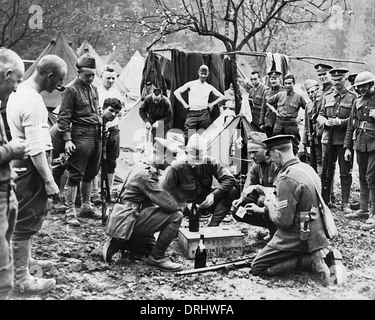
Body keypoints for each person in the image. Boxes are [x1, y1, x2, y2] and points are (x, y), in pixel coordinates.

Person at [249, 135, 345, 286]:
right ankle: (315, 255)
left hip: (297, 235)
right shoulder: (306, 168)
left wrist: (268, 205)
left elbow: (283, 222)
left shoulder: (287, 177)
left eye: (271, 155)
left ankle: (311, 261)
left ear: (277, 153)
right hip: (316, 231)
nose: (272, 160)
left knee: (257, 267)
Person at [7, 54, 67, 295]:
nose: (59, 86)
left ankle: (26, 260)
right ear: (49, 76)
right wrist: (49, 180)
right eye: (59, 80)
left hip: (24, 164)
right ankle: (21, 279)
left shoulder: (20, 93)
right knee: (25, 221)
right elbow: (36, 147)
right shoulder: (32, 102)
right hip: (31, 168)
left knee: (24, 219)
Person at [103, 138, 183, 272]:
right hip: (129, 220)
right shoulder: (146, 175)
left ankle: (124, 243)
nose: (170, 164)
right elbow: (170, 206)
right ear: (163, 157)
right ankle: (157, 258)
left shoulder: (140, 166)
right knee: (176, 216)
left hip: (124, 218)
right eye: (170, 160)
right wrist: (185, 203)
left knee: (148, 248)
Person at [57, 53, 102, 227]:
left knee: (91, 173)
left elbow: (96, 111)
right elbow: (64, 118)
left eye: (93, 74)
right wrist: (68, 140)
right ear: (79, 73)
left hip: (96, 135)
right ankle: (69, 211)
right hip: (80, 135)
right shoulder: (71, 90)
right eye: (87, 75)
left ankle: (86, 207)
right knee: (75, 175)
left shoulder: (94, 89)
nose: (91, 78)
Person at [0, 48, 30, 300]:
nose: (17, 88)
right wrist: (11, 150)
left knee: (5, 253)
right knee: (2, 272)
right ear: (7, 74)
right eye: (17, 81)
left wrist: (9, 165)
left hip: (5, 189)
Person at [162, 133, 238, 227]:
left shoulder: (210, 161)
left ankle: (213, 225)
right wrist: (183, 205)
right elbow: (164, 194)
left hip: (204, 202)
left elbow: (230, 179)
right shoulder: (176, 167)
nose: (196, 164)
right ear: (186, 153)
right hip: (184, 205)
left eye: (200, 160)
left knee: (231, 191)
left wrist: (214, 195)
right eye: (193, 160)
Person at [317, 68, 356, 214]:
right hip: (328, 139)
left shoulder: (352, 97)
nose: (336, 82)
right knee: (327, 171)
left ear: (345, 79)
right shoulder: (327, 96)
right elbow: (319, 115)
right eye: (334, 79)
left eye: (339, 79)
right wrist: (325, 122)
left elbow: (355, 119)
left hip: (344, 140)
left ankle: (345, 203)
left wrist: (340, 122)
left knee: (345, 172)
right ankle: (325, 201)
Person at [231, 132, 280, 240]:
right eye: (250, 153)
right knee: (237, 211)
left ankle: (276, 234)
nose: (252, 156)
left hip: (281, 206)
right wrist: (241, 200)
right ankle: (270, 228)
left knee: (263, 200)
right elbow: (248, 188)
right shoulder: (255, 165)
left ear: (266, 149)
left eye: (255, 152)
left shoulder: (277, 163)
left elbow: (278, 192)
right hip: (266, 206)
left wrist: (256, 188)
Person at [344, 71, 375, 231]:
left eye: (365, 86)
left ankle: (373, 214)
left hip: (374, 144)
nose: (362, 89)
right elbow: (351, 126)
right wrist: (347, 147)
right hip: (360, 143)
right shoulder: (357, 102)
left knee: (372, 178)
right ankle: (363, 209)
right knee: (362, 176)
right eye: (359, 87)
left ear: (371, 84)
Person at [91, 65, 124, 205]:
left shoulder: (117, 92)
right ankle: (94, 193)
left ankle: (108, 191)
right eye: (107, 78)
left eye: (113, 78)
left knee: (111, 161)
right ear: (101, 77)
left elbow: (121, 112)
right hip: (99, 130)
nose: (110, 80)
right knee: (96, 161)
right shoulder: (95, 91)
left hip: (114, 130)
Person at [174, 65, 225, 144]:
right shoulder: (191, 84)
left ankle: (203, 153)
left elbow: (222, 96)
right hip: (192, 114)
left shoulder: (209, 87)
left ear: (208, 74)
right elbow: (176, 92)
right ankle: (188, 153)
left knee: (204, 136)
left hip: (204, 114)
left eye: (205, 74)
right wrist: (184, 104)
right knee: (188, 136)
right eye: (202, 73)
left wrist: (212, 104)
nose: (203, 76)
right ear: (198, 73)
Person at [266, 74, 306, 154]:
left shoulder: (298, 97)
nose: (287, 85)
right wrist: (275, 111)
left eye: (290, 83)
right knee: (276, 144)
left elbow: (308, 109)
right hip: (279, 123)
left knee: (293, 146)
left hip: (291, 124)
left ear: (294, 84)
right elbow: (268, 102)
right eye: (286, 83)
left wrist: (300, 119)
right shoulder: (280, 95)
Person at [302, 79, 322, 174]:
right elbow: (306, 124)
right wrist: (305, 140)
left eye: (313, 91)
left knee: (326, 162)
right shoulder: (308, 106)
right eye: (308, 93)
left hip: (323, 136)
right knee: (316, 161)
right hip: (313, 138)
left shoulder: (323, 102)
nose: (311, 94)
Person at [260, 70, 284, 137]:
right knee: (269, 141)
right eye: (271, 79)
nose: (273, 81)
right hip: (269, 121)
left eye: (275, 79)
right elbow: (263, 108)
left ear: (279, 79)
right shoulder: (266, 92)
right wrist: (261, 122)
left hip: (280, 121)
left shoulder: (284, 91)